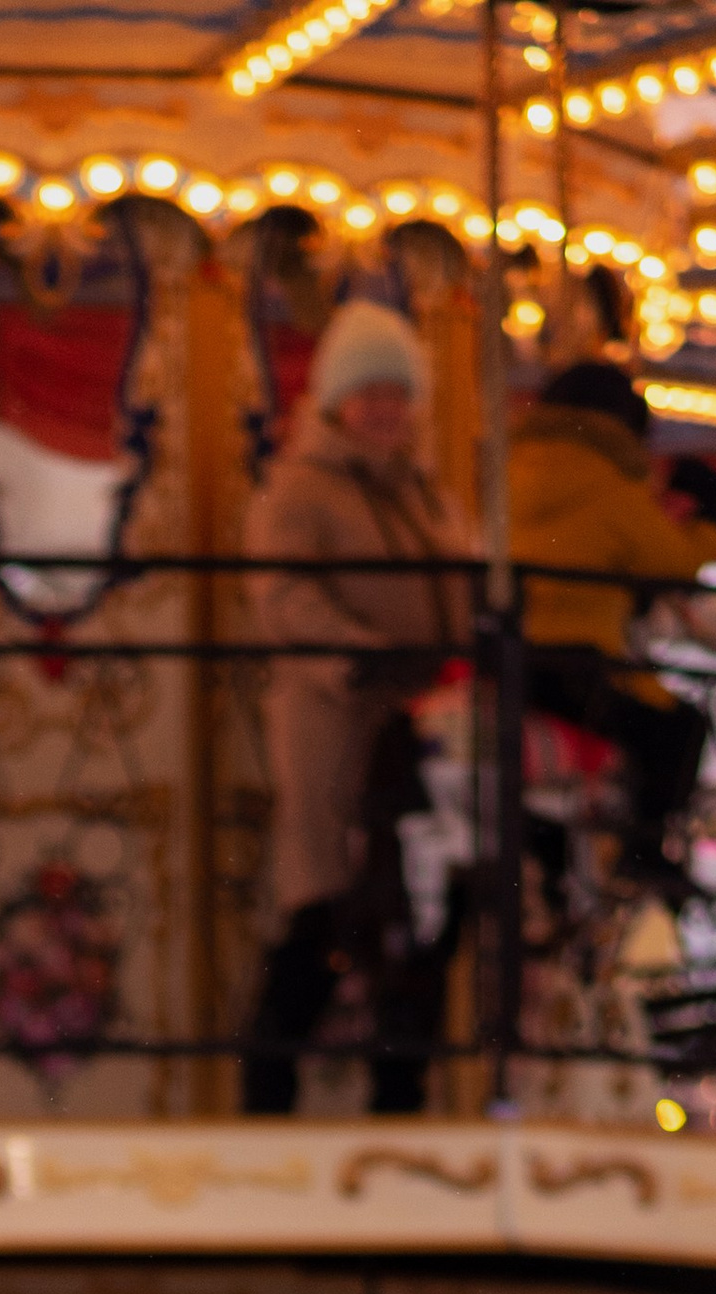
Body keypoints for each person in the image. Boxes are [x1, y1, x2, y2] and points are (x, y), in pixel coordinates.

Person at [243, 300, 472, 1116]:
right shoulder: (302, 490)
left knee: (420, 910)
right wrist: (359, 653)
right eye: (370, 392)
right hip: (340, 720)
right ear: (337, 401)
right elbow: (282, 595)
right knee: (332, 900)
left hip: (422, 724)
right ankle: (268, 1094)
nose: (385, 409)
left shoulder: (425, 495)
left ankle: (398, 1095)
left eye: (397, 393)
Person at [509, 360, 716, 893]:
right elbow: (673, 562)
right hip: (577, 665)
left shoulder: (509, 466)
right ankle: (645, 849)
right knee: (680, 728)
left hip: (515, 655)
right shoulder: (611, 483)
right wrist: (712, 524)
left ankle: (562, 863)